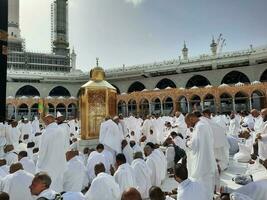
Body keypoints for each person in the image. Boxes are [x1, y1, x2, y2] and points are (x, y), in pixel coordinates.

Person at [185, 113, 216, 200]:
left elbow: (195, 144)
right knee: (207, 184)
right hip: (207, 158)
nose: (188, 126)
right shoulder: (204, 123)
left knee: (202, 183)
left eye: (188, 123)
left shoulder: (199, 127)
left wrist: (187, 143)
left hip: (202, 161)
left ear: (191, 119)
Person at [36, 114, 67, 192]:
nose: (44, 123)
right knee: (58, 184)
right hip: (60, 162)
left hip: (48, 164)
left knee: (50, 186)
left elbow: (42, 151)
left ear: (47, 121)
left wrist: (39, 164)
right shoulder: (61, 130)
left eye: (45, 121)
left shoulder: (46, 132)